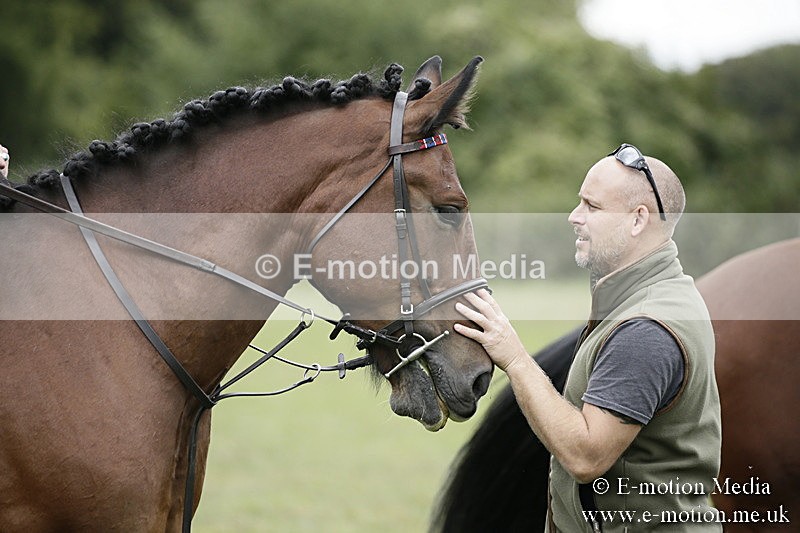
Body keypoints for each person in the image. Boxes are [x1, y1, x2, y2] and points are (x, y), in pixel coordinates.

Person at [455, 144, 722, 532]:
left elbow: (585, 456)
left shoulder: (645, 328)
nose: (573, 217)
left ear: (637, 220)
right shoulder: (663, 294)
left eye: (591, 207)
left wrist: (513, 357)